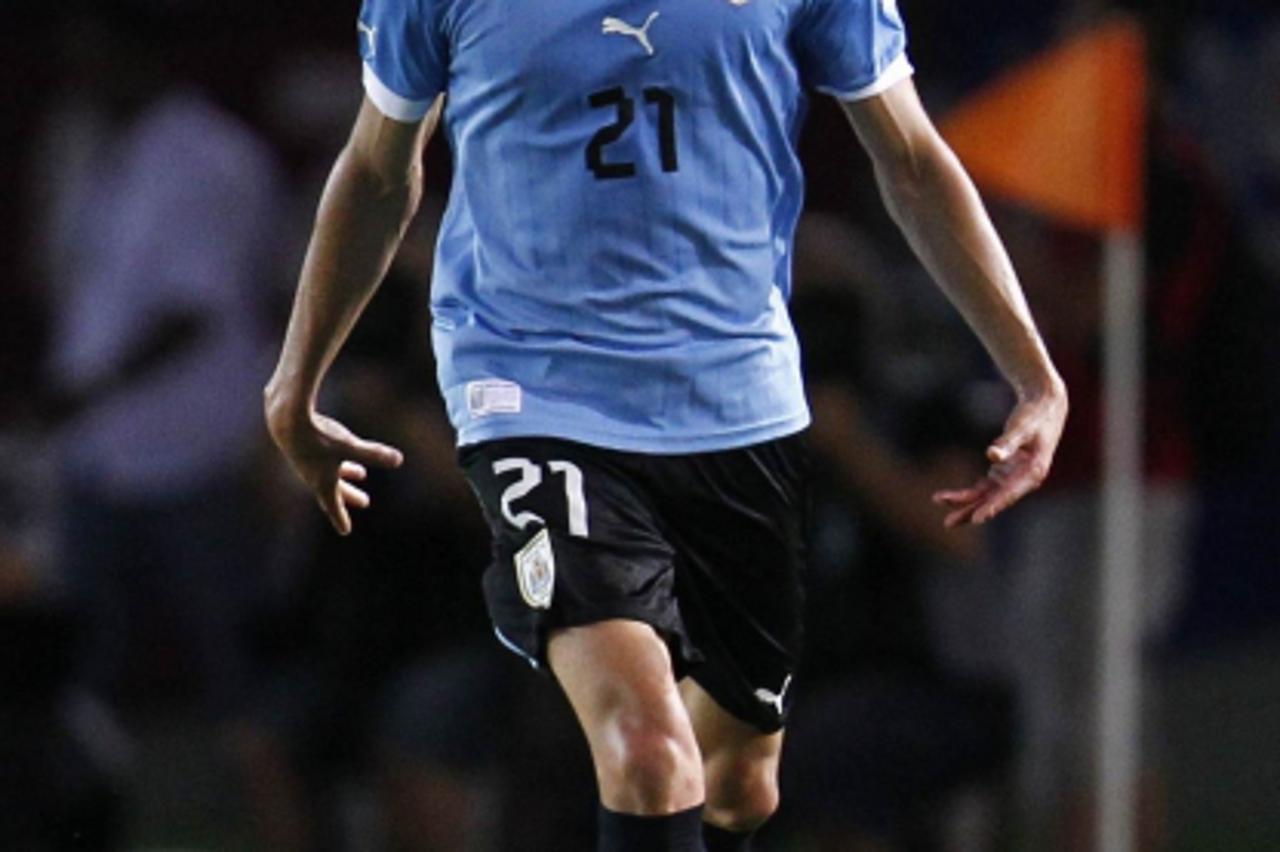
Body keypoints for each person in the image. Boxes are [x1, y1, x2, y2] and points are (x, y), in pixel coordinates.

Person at [263, 0, 1068, 849]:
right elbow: (378, 172)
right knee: (649, 753)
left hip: (737, 403)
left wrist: (1032, 374)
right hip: (535, 394)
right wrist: (297, 380)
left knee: (739, 785)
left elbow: (909, 159)